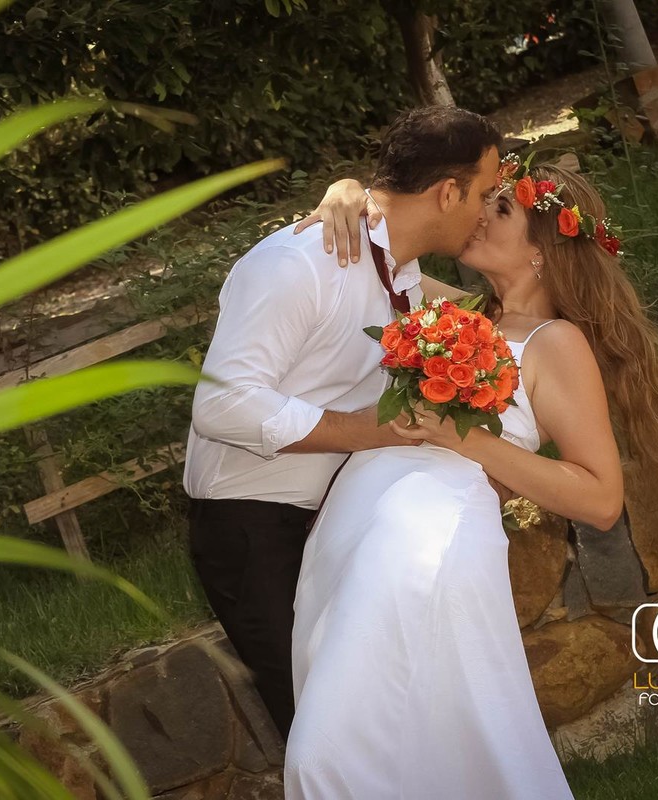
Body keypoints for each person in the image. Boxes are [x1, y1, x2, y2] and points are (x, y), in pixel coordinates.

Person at [283, 159, 658, 798]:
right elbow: (380, 255)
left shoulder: (555, 343)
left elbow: (602, 498)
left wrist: (464, 439)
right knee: (410, 757)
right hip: (354, 535)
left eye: (500, 209)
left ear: (542, 250)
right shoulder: (462, 313)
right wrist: (349, 194)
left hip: (425, 542)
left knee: (328, 757)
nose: (478, 214)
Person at [183, 106, 503, 739]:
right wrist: (366, 430)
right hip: (253, 532)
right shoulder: (299, 263)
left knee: (374, 718)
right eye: (485, 194)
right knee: (319, 732)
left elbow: (494, 315)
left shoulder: (400, 271)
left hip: (343, 518)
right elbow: (220, 404)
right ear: (447, 193)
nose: (487, 210)